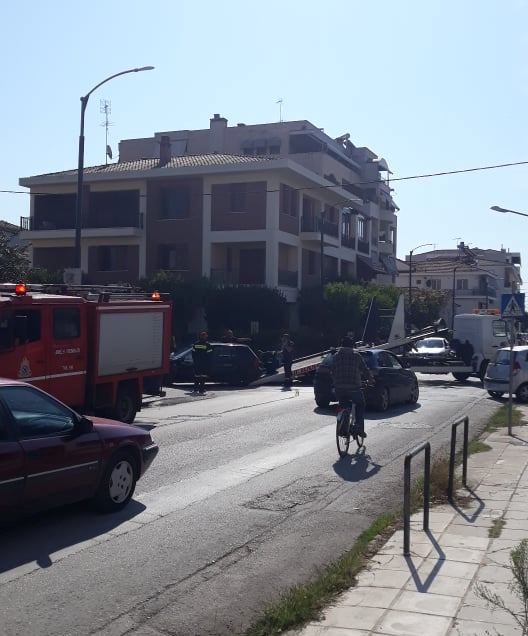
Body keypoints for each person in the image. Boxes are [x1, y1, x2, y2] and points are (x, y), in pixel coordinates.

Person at [331, 336, 373, 438]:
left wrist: (335, 381)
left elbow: (332, 370)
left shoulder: (336, 356)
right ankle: (359, 429)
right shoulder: (357, 356)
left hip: (339, 388)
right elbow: (365, 370)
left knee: (344, 406)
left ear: (341, 346)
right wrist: (371, 380)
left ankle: (343, 428)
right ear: (352, 346)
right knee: (360, 404)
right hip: (354, 387)